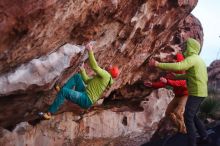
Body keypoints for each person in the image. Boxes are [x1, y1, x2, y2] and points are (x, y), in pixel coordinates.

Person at [149, 38, 209, 146]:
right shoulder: (197, 59)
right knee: (193, 115)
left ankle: (192, 143)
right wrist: (177, 76)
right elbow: (188, 75)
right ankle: (204, 136)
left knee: (188, 116)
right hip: (199, 92)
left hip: (196, 93)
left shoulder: (193, 58)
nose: (184, 47)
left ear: (191, 47)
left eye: (186, 45)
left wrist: (158, 64)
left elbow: (180, 66)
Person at [40, 43, 119, 120]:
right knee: (77, 77)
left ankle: (49, 113)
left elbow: (95, 67)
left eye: (111, 67)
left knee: (64, 92)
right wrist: (82, 70)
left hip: (86, 99)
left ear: (111, 72)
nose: (109, 65)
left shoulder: (107, 76)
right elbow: (87, 81)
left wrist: (90, 50)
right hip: (85, 94)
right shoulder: (103, 78)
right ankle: (62, 91)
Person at [144, 53, 188, 134]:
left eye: (175, 61)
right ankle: (169, 129)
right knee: (168, 112)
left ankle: (183, 131)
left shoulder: (183, 71)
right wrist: (152, 84)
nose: (173, 62)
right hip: (177, 95)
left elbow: (181, 83)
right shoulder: (171, 73)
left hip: (185, 95)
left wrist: (167, 81)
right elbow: (163, 83)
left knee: (178, 112)